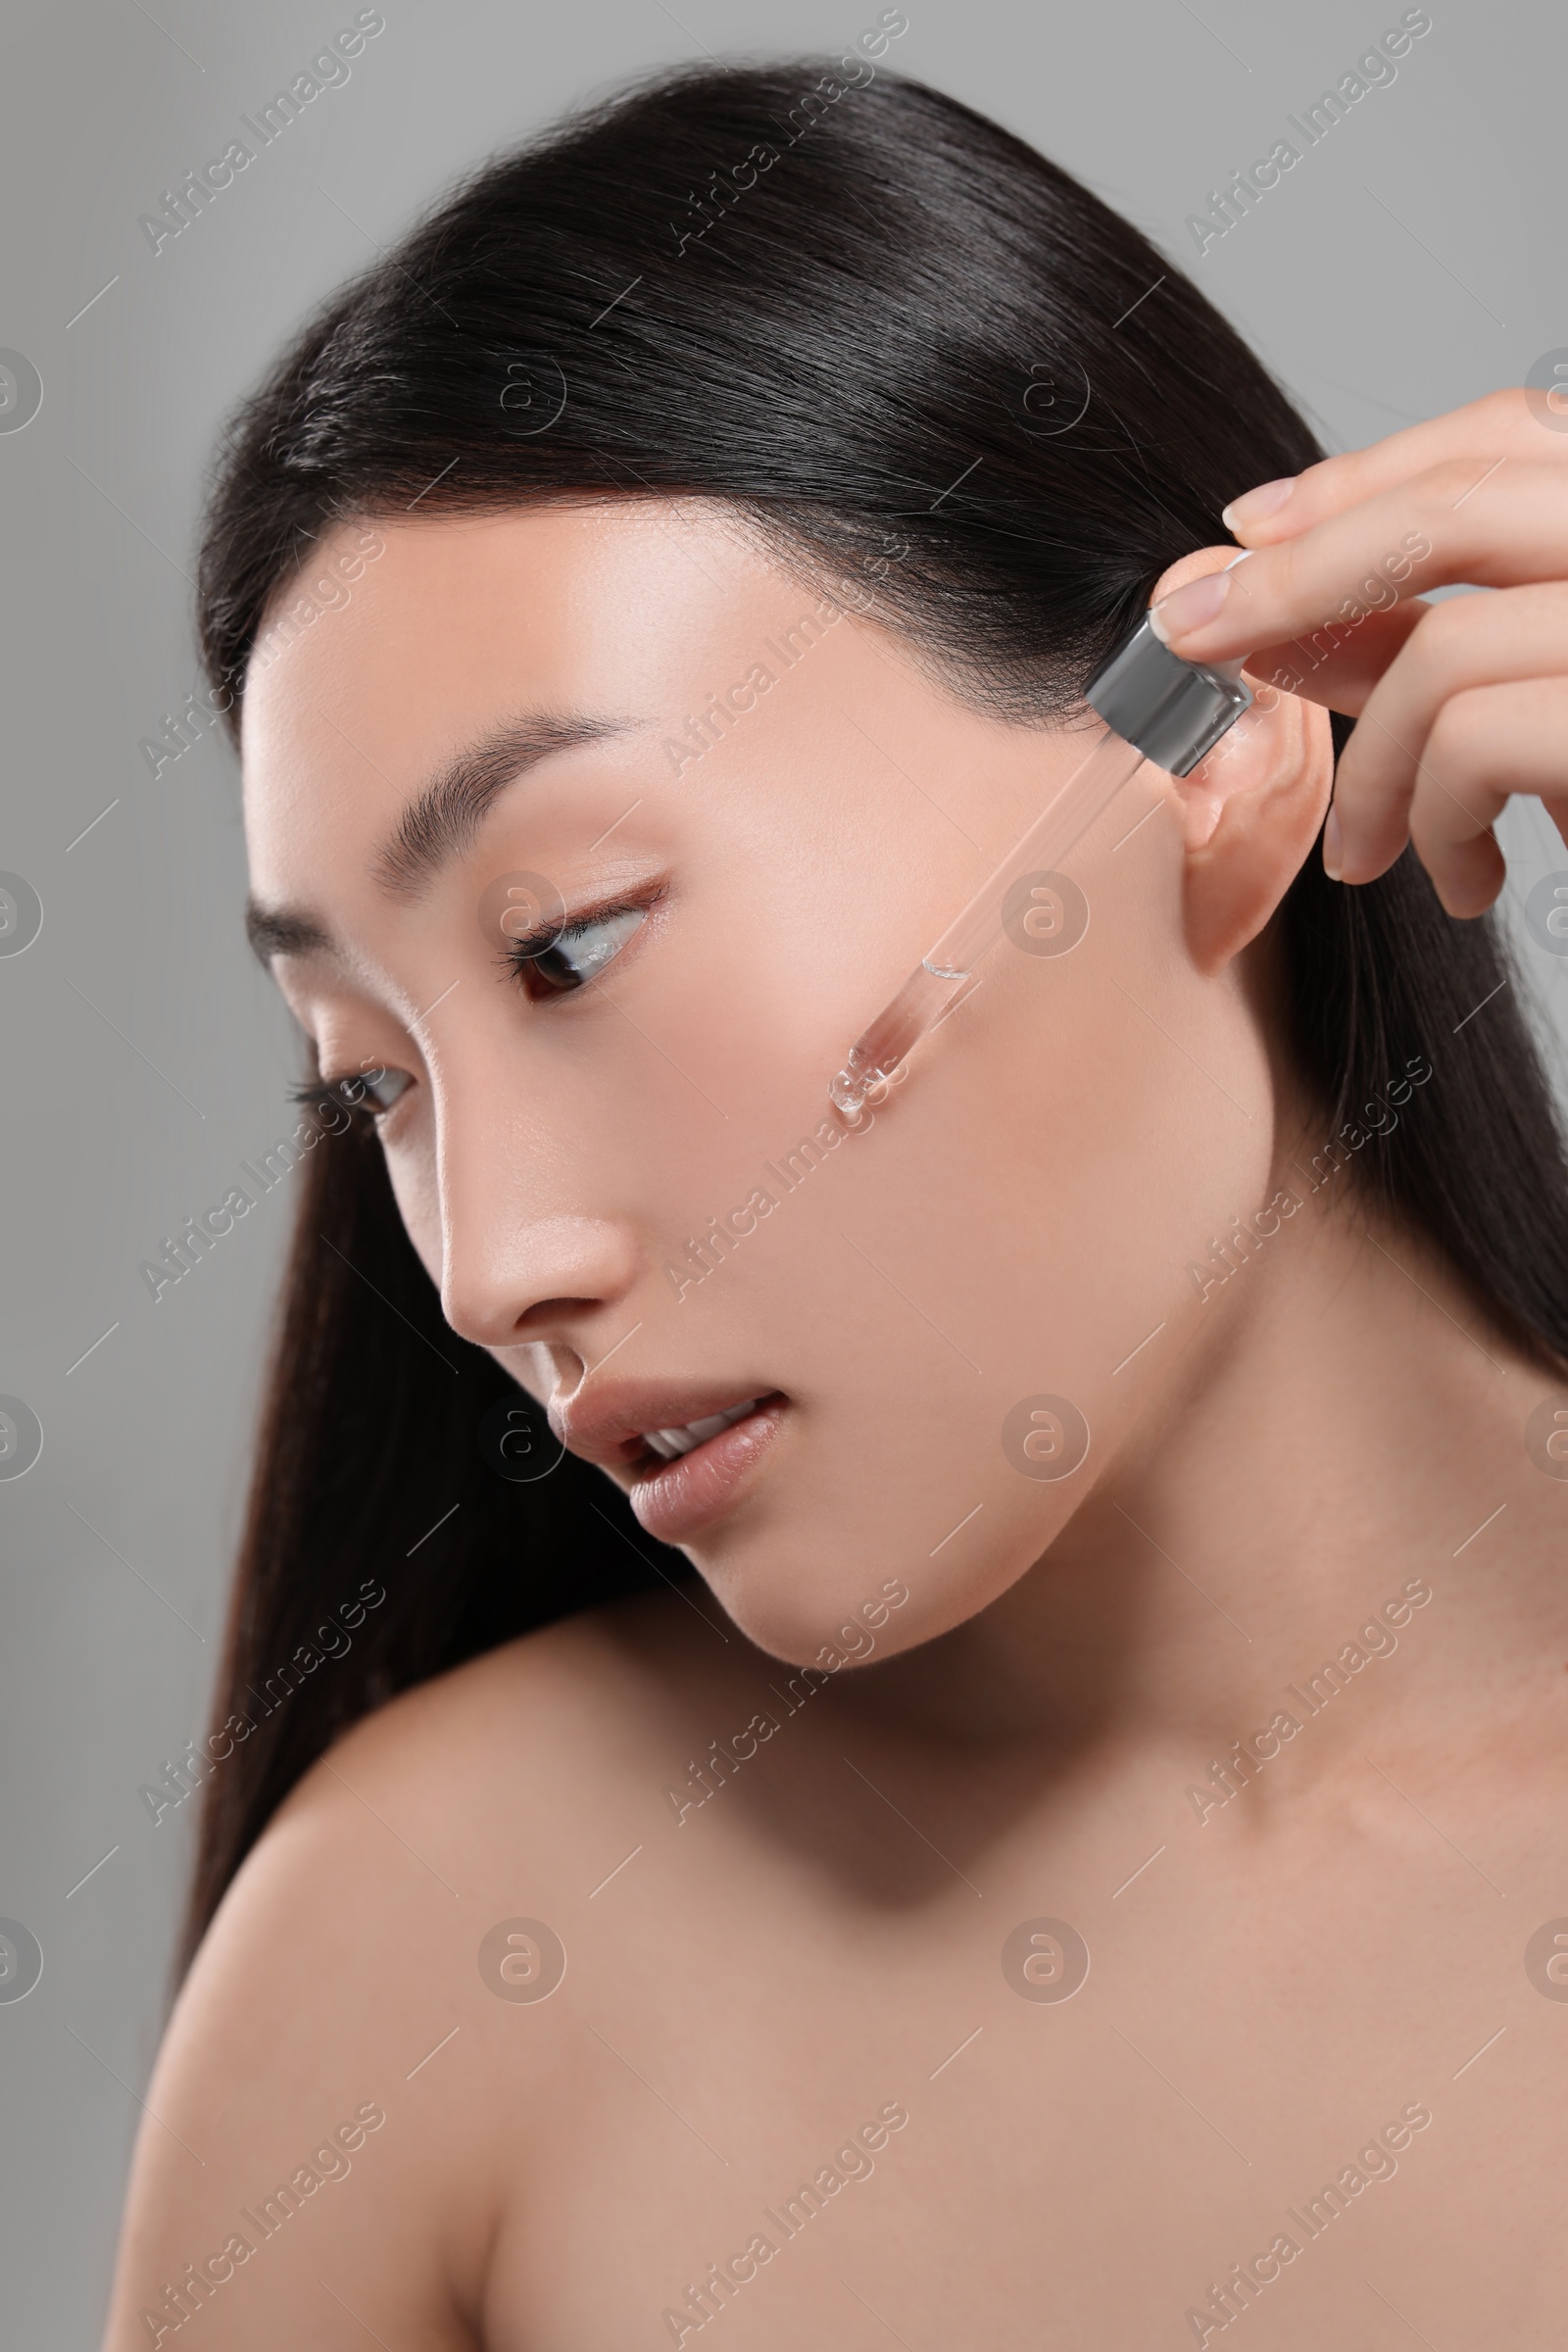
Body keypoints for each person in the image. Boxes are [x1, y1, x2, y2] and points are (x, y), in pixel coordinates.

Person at [105, 58, 1568, 2351]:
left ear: (1218, 747)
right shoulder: (429, 1963)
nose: (493, 1269)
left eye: (568, 942)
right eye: (368, 1082)